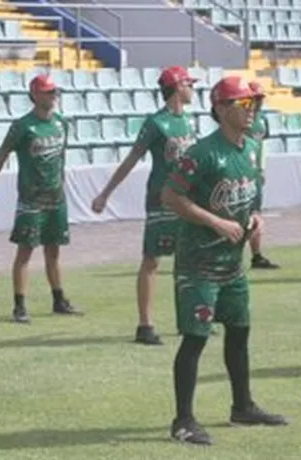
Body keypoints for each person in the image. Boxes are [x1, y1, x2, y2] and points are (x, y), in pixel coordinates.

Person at [161, 76, 287, 446]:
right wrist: (215, 221)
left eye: (253, 105)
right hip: (199, 263)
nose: (251, 111)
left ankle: (242, 405)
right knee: (196, 338)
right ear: (220, 108)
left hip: (232, 264)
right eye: (243, 104)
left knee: (240, 331)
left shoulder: (248, 149)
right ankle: (183, 420)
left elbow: (250, 194)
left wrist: (256, 217)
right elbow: (170, 196)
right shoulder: (201, 153)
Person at [90, 66, 198, 345]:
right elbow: (132, 159)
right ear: (177, 87)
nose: (193, 88)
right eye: (188, 83)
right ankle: (145, 325)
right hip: (161, 199)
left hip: (186, 199)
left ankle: (189, 319)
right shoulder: (156, 123)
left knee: (188, 260)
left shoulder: (188, 121)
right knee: (152, 260)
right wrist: (105, 193)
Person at [0, 74, 82, 322]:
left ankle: (58, 298)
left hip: (56, 197)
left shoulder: (61, 124)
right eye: (48, 92)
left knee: (54, 250)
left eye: (54, 92)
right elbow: (2, 155)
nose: (53, 96)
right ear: (35, 95)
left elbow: (61, 160)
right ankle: (20, 305)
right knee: (25, 252)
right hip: (31, 199)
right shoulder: (23, 126)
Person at [244, 80, 280, 270]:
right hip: (243, 173)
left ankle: (256, 256)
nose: (259, 102)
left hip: (255, 174)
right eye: (256, 98)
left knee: (254, 215)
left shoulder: (262, 120)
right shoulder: (242, 118)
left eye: (260, 98)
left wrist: (262, 168)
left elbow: (263, 145)